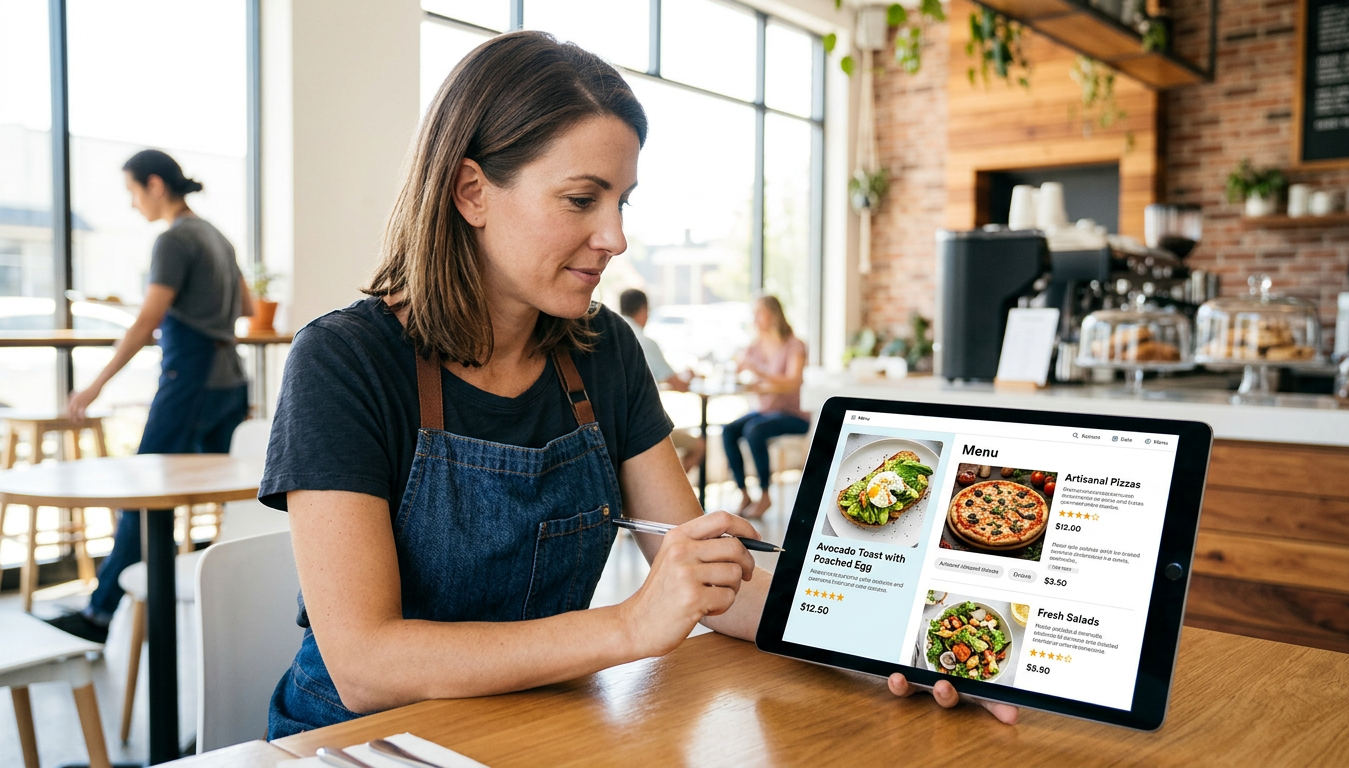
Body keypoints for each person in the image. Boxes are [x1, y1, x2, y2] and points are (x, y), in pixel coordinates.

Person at [259, 31, 1013, 736]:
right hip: (356, 741)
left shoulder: (602, 350)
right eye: (582, 199)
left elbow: (714, 584)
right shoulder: (345, 362)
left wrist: (901, 643)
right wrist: (629, 626)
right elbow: (365, 665)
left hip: (533, 727)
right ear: (471, 192)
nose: (615, 237)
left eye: (622, 202)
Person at [47, 149, 252, 642]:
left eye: (132, 192)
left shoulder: (175, 239)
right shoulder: (216, 236)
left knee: (142, 495)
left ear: (155, 185)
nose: (132, 204)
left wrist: (94, 385)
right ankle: (245, 606)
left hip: (190, 382)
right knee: (238, 506)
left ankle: (98, 614)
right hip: (229, 380)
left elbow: (147, 320)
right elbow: (244, 304)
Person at [720, 296, 809, 520]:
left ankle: (766, 494)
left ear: (773, 314)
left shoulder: (794, 345)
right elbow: (739, 366)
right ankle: (744, 493)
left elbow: (793, 381)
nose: (755, 318)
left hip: (793, 415)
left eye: (759, 313)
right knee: (729, 430)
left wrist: (758, 373)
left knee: (754, 430)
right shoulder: (756, 345)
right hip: (765, 413)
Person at [618, 287, 702, 471]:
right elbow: (679, 385)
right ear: (644, 310)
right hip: (642, 430)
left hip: (615, 430)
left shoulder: (614, 336)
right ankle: (669, 496)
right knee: (699, 445)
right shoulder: (642, 341)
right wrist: (689, 375)